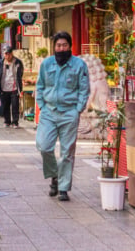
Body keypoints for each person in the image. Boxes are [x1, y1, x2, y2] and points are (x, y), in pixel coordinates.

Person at [36, 32, 90, 202]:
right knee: (44, 146)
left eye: (64, 45)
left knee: (67, 152)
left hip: (69, 113)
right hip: (49, 112)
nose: (61, 48)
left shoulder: (79, 65)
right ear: (54, 47)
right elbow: (40, 86)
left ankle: (63, 188)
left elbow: (84, 89)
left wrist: (78, 110)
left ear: (70, 46)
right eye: (58, 46)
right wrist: (42, 106)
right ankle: (54, 175)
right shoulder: (46, 64)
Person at [0, 45, 24, 128]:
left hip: (14, 87)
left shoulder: (17, 62)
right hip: (4, 87)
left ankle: (15, 122)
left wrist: (20, 88)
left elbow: (20, 74)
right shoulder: (0, 62)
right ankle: (7, 121)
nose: (7, 56)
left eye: (9, 54)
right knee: (5, 105)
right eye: (5, 54)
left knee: (15, 105)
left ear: (12, 53)